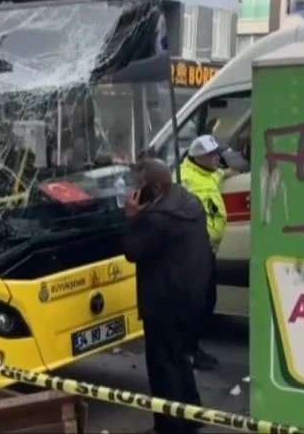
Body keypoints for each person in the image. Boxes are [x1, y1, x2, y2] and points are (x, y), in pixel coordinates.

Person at [122, 157, 210, 434]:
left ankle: (169, 425)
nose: (134, 193)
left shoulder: (158, 219)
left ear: (155, 189)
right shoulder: (189, 203)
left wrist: (132, 217)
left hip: (164, 302)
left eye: (139, 187)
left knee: (162, 367)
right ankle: (191, 413)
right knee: (181, 358)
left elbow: (132, 251)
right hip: (192, 297)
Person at [179, 134, 234, 370]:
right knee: (195, 304)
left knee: (208, 300)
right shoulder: (185, 179)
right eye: (212, 155)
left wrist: (228, 173)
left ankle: (193, 347)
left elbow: (218, 174)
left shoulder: (207, 173)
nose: (217, 159)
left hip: (207, 251)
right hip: (194, 251)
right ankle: (188, 352)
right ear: (199, 157)